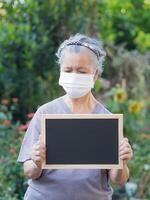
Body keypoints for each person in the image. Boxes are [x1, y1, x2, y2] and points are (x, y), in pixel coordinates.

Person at [17, 33, 133, 200]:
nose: (74, 75)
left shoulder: (106, 120)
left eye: (82, 71)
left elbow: (118, 179)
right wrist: (36, 161)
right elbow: (29, 172)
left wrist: (122, 161)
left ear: (95, 74)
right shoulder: (46, 113)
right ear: (60, 71)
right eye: (68, 70)